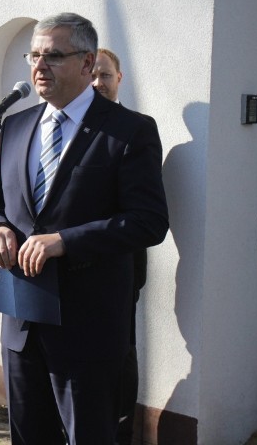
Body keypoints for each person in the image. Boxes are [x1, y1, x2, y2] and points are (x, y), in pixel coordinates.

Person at [0, 13, 168, 444]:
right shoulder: (17, 125)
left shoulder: (129, 131)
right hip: (23, 321)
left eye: (54, 56)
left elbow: (149, 221)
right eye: (35, 55)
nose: (39, 66)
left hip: (88, 326)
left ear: (87, 63)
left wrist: (66, 241)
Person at [94, 46, 149, 444]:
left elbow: (143, 213)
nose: (99, 83)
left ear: (119, 79)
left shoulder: (135, 129)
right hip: (68, 266)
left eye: (106, 76)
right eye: (93, 76)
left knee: (120, 352)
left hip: (119, 265)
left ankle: (120, 430)